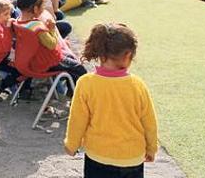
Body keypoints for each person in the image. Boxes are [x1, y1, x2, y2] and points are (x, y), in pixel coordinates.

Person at [65, 23, 158, 178]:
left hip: (98, 156)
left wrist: (72, 145)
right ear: (128, 55)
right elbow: (149, 122)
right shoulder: (137, 85)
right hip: (131, 157)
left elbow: (77, 120)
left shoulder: (86, 83)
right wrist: (151, 148)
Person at [13, 0, 86, 85]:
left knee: (70, 60)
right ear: (35, 9)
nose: (43, 10)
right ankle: (79, 95)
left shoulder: (17, 21)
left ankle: (71, 90)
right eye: (42, 7)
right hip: (46, 62)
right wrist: (51, 29)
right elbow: (52, 44)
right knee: (80, 69)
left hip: (32, 60)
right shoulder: (37, 27)